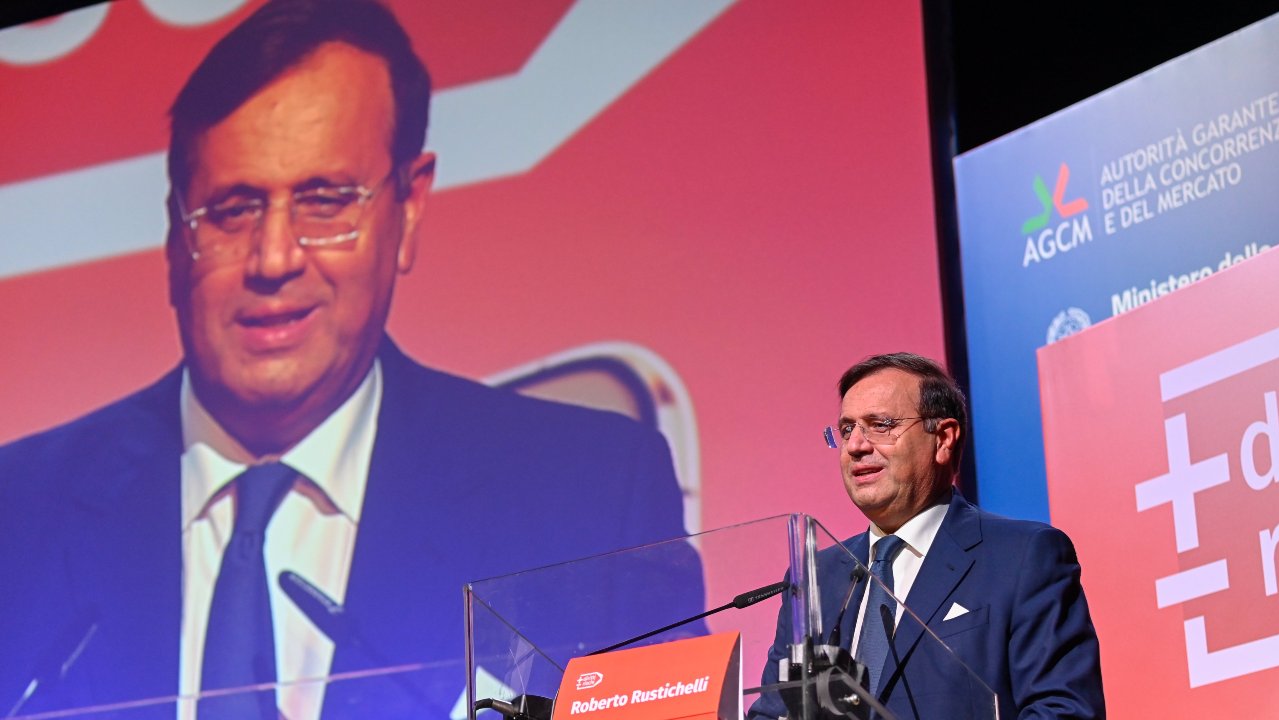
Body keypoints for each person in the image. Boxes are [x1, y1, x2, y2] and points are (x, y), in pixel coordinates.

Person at [0, 1, 702, 718]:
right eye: (233, 209)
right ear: (177, 235)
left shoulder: (590, 500)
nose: (273, 259)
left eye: (325, 201)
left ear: (409, 208)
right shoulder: (16, 515)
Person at [749, 353, 1104, 719]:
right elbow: (772, 712)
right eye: (846, 430)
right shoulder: (816, 579)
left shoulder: (1022, 557)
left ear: (944, 438)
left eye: (880, 425)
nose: (855, 445)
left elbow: (1063, 711)